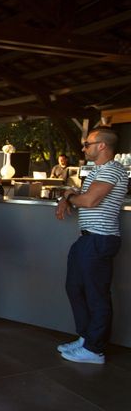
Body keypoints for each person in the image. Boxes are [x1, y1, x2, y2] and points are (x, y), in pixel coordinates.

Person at [55, 127, 127, 364]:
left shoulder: (113, 169)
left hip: (100, 238)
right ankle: (86, 338)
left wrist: (69, 197)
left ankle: (95, 349)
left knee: (96, 294)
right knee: (74, 288)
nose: (84, 147)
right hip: (87, 238)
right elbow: (82, 196)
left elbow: (89, 200)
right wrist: (70, 195)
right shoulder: (98, 171)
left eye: (88, 144)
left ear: (102, 146)